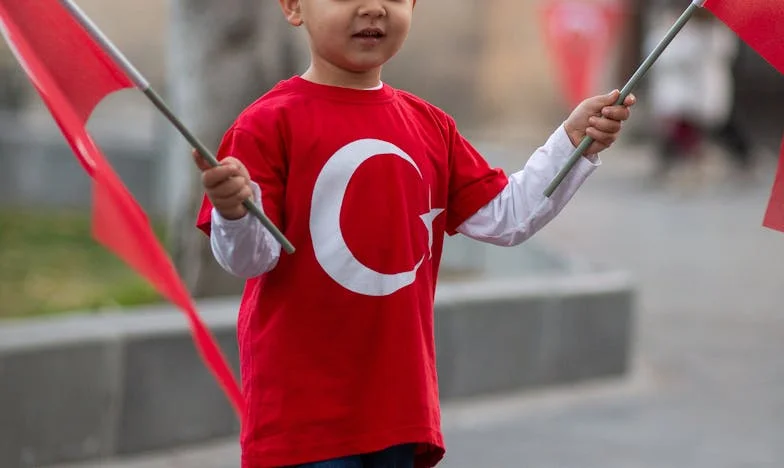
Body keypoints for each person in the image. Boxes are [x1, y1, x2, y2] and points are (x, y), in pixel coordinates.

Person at [193, 1, 635, 467]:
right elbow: (250, 260)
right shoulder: (266, 124)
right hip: (301, 419)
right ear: (294, 6)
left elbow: (507, 216)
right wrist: (235, 211)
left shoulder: (430, 126)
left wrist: (571, 141)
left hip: (398, 410)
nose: (373, 8)